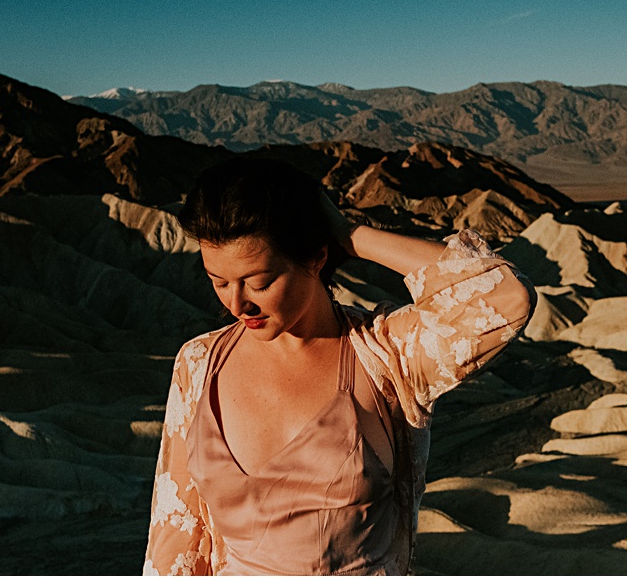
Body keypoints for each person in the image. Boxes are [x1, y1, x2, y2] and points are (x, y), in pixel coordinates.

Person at [143, 157, 536, 575]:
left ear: (314, 258)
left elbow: (505, 299)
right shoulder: (199, 364)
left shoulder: (386, 356)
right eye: (219, 281)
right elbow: (176, 540)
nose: (237, 304)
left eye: (258, 283)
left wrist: (350, 235)